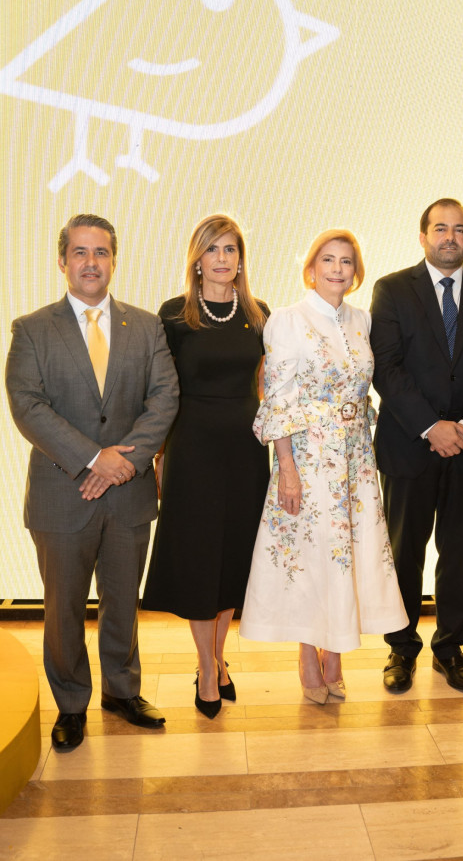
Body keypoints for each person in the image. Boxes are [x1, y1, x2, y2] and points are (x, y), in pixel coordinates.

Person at [5, 213, 179, 751]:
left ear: (113, 260)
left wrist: (123, 463)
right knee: (62, 609)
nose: (90, 262)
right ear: (63, 261)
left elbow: (164, 398)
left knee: (123, 602)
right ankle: (71, 704)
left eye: (100, 252)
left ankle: (122, 693)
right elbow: (27, 406)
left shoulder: (146, 326)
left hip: (128, 492)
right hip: (63, 494)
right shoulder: (32, 328)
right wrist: (92, 459)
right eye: (79, 252)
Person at [239, 229, 408, 704]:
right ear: (311, 268)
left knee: (346, 555)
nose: (337, 268)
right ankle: (308, 655)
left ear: (356, 272)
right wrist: (286, 468)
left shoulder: (362, 319)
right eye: (328, 260)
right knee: (312, 556)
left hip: (355, 460)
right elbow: (277, 399)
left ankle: (336, 651)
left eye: (347, 261)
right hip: (309, 460)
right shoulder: (288, 321)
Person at [370, 199, 463, 693]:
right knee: (403, 551)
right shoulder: (391, 289)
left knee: (459, 553)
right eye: (440, 228)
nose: (449, 237)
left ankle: (450, 649)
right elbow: (386, 367)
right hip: (411, 445)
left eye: (459, 229)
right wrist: (432, 425)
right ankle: (401, 648)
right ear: (423, 236)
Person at [142, 214, 270, 719]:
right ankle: (206, 667)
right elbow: (160, 392)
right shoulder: (173, 316)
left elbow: (268, 385)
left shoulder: (260, 314)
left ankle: (217, 659)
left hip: (244, 449)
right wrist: (157, 454)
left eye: (231, 249)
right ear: (197, 258)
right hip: (191, 450)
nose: (223, 258)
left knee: (232, 557)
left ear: (240, 259)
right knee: (199, 560)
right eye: (213, 249)